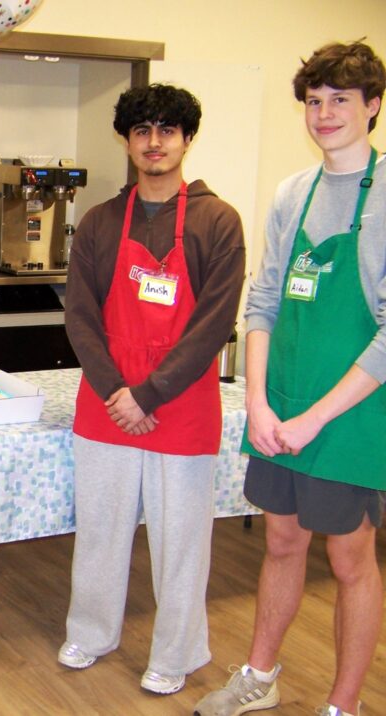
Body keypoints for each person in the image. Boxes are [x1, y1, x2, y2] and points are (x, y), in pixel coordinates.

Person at [195, 41, 386, 716]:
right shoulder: (292, 193)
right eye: (314, 101)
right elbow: (265, 302)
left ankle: (344, 704)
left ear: (373, 107)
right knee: (279, 540)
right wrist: (259, 402)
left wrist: (315, 419)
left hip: (354, 413)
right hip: (281, 404)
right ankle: (260, 675)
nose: (325, 113)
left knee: (351, 560)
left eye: (341, 99)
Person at [58, 83, 246, 695]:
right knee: (101, 531)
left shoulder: (219, 222)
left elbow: (214, 322)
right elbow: (81, 316)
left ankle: (178, 651)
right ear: (128, 141)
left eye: (168, 130)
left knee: (181, 540)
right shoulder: (99, 221)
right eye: (143, 131)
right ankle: (91, 631)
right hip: (108, 403)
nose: (154, 142)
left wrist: (151, 393)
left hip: (183, 403)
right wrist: (119, 390)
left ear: (187, 139)